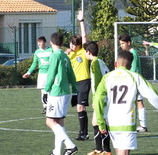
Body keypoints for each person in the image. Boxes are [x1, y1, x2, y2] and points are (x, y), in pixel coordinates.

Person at [93, 50, 158, 155]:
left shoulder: (107, 77)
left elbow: (98, 99)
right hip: (127, 122)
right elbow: (153, 96)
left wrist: (100, 122)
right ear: (130, 66)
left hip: (111, 122)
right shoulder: (135, 77)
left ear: (115, 64)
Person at [44, 32, 78, 155]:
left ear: (50, 42)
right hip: (65, 92)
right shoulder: (65, 56)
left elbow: (51, 74)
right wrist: (75, 92)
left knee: (50, 121)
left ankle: (70, 146)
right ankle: (57, 152)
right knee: (59, 122)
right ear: (62, 43)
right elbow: (72, 75)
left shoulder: (55, 55)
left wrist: (46, 90)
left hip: (56, 92)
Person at [65, 10, 91, 140]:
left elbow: (85, 37)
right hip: (75, 84)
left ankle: (83, 133)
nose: (72, 46)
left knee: (81, 106)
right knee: (79, 108)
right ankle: (83, 132)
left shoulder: (82, 51)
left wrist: (81, 21)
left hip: (84, 81)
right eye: (71, 44)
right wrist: (66, 52)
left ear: (79, 45)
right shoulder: (70, 53)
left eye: (74, 44)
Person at [84, 41, 111, 155]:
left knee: (99, 122)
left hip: (101, 97)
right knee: (97, 121)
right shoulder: (101, 61)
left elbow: (95, 83)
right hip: (106, 95)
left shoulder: (94, 63)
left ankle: (105, 150)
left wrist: (95, 99)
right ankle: (101, 149)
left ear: (88, 52)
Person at [118, 34, 147, 133]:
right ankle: (139, 125)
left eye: (123, 43)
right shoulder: (129, 53)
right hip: (133, 81)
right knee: (135, 102)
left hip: (134, 81)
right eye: (120, 44)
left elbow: (134, 68)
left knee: (138, 102)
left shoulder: (132, 53)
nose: (121, 45)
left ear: (128, 43)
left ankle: (142, 125)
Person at [22, 36, 53, 114]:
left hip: (50, 73)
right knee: (43, 91)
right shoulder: (37, 52)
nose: (39, 43)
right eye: (38, 42)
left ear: (45, 42)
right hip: (42, 74)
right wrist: (28, 72)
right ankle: (45, 107)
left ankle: (51, 106)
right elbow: (34, 63)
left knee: (50, 90)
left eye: (41, 42)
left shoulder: (51, 50)